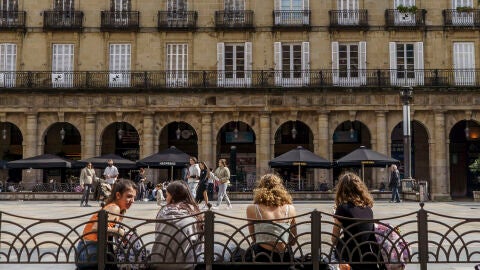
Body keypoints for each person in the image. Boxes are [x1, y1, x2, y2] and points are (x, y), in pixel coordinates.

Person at [76, 179, 137, 270]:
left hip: (87, 251)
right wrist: (118, 231)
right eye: (129, 196)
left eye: (134, 197)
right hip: (90, 252)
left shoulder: (118, 209)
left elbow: (107, 231)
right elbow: (96, 228)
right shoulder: (114, 208)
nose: (132, 201)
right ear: (118, 195)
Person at [245, 173, 297, 269]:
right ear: (280, 188)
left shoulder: (252, 209)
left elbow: (254, 238)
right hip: (285, 259)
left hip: (262, 257)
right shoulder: (291, 208)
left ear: (260, 188)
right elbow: (293, 241)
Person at [150, 180, 204, 270]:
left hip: (159, 262)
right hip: (186, 265)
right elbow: (200, 245)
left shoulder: (162, 211)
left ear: (173, 197)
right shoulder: (194, 212)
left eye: (167, 195)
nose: (166, 198)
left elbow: (158, 235)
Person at [331, 172, 381, 270]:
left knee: (334, 254)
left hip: (351, 257)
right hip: (369, 256)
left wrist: (336, 217)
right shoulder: (368, 209)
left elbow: (334, 239)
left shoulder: (342, 208)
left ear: (341, 189)